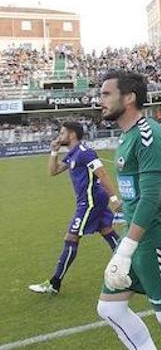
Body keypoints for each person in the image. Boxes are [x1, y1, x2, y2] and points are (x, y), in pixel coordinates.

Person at [97, 70, 161, 350]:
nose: (99, 100)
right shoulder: (129, 136)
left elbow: (151, 198)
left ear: (128, 98)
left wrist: (125, 249)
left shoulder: (148, 136)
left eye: (105, 94)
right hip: (138, 236)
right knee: (110, 307)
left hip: (158, 237)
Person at [29, 121, 121, 295]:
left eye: (62, 133)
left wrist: (114, 199)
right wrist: (54, 150)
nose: (59, 136)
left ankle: (54, 283)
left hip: (90, 202)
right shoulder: (73, 154)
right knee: (107, 232)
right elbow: (53, 171)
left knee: (71, 237)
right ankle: (137, 266)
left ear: (72, 135)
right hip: (91, 200)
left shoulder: (85, 153)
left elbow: (102, 173)